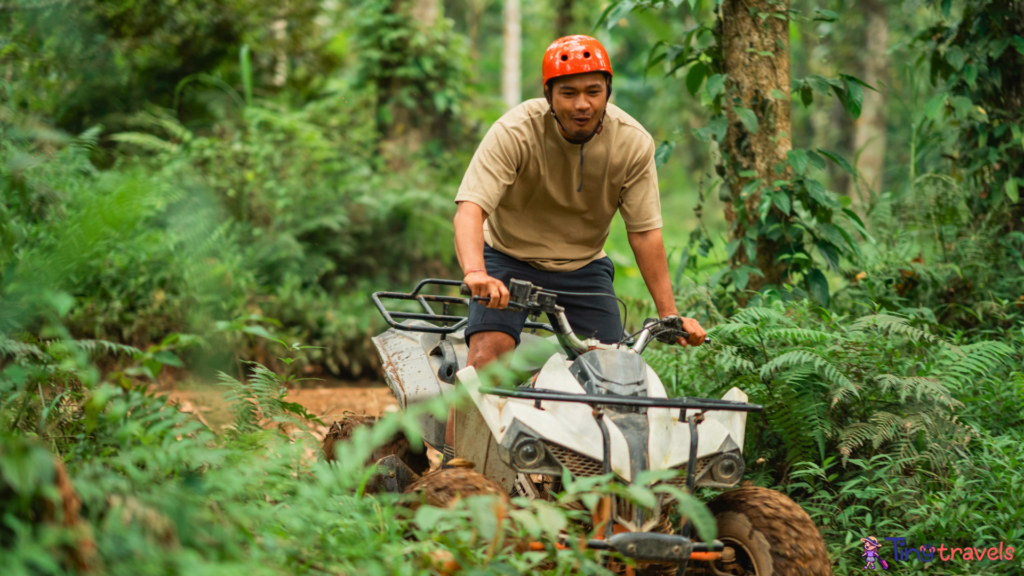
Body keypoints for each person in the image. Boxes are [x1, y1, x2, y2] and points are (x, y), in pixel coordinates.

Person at [446, 35, 708, 460]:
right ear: (549, 95)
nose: (581, 104)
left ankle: (600, 483)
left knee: (616, 377)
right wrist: (477, 272)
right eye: (568, 92)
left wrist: (668, 313)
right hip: (507, 258)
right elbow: (471, 208)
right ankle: (455, 470)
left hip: (584, 266)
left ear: (608, 93)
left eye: (593, 91)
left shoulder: (633, 143)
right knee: (488, 357)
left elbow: (644, 232)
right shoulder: (515, 130)